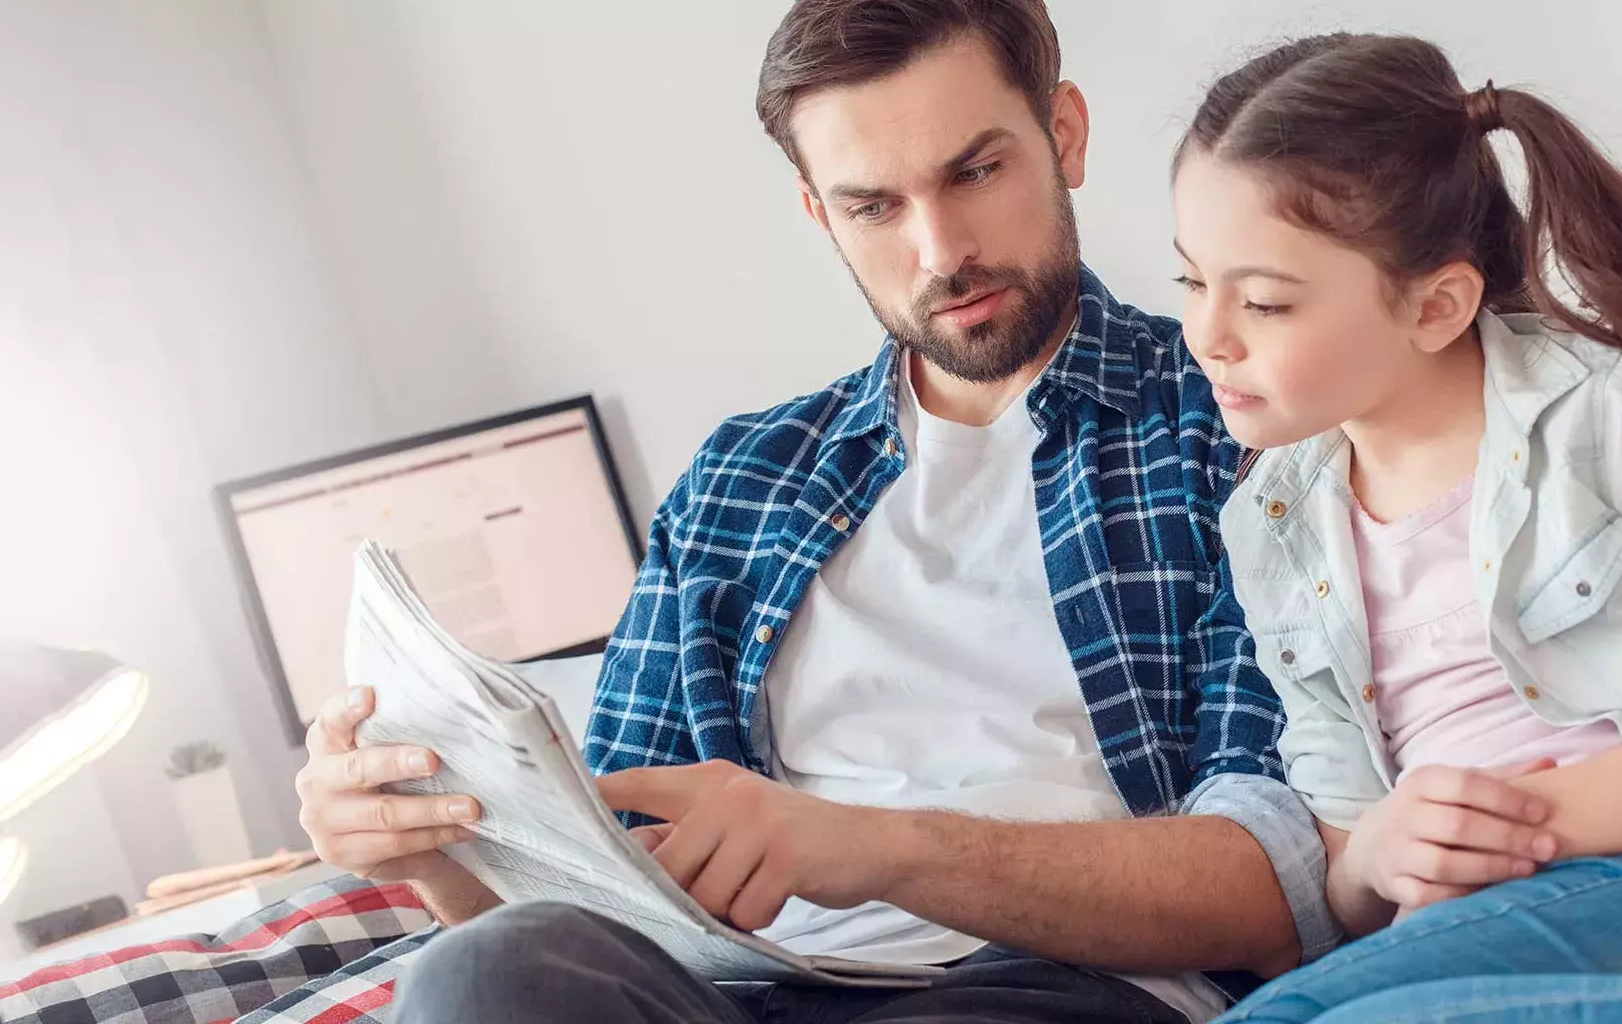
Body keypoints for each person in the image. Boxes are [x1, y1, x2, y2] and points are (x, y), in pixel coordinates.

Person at [294, 3, 1339, 1022]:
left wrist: (867, 843)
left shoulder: (1233, 424)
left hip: (1049, 984)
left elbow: (1273, 888)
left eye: (975, 171)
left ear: (1062, 133)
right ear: (818, 212)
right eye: (873, 206)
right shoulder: (742, 479)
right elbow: (600, 891)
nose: (940, 251)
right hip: (734, 987)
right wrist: (434, 849)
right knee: (479, 970)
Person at [1167, 32, 1622, 1022]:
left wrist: (1515, 823)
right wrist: (1385, 846)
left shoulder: (1604, 413)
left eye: (1265, 301)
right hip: (1494, 917)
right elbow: (1346, 865)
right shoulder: (1271, 525)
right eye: (1191, 281)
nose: (1208, 334)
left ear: (1435, 306)